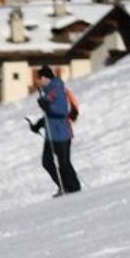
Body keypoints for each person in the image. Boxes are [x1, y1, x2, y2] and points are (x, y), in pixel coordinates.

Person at [28, 64, 81, 195]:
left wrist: (47, 107)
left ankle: (74, 188)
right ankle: (64, 186)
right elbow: (48, 115)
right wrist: (38, 125)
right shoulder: (48, 92)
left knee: (64, 163)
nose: (37, 82)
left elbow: (62, 112)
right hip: (51, 135)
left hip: (62, 134)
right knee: (47, 162)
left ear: (45, 78)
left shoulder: (57, 89)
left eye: (39, 79)